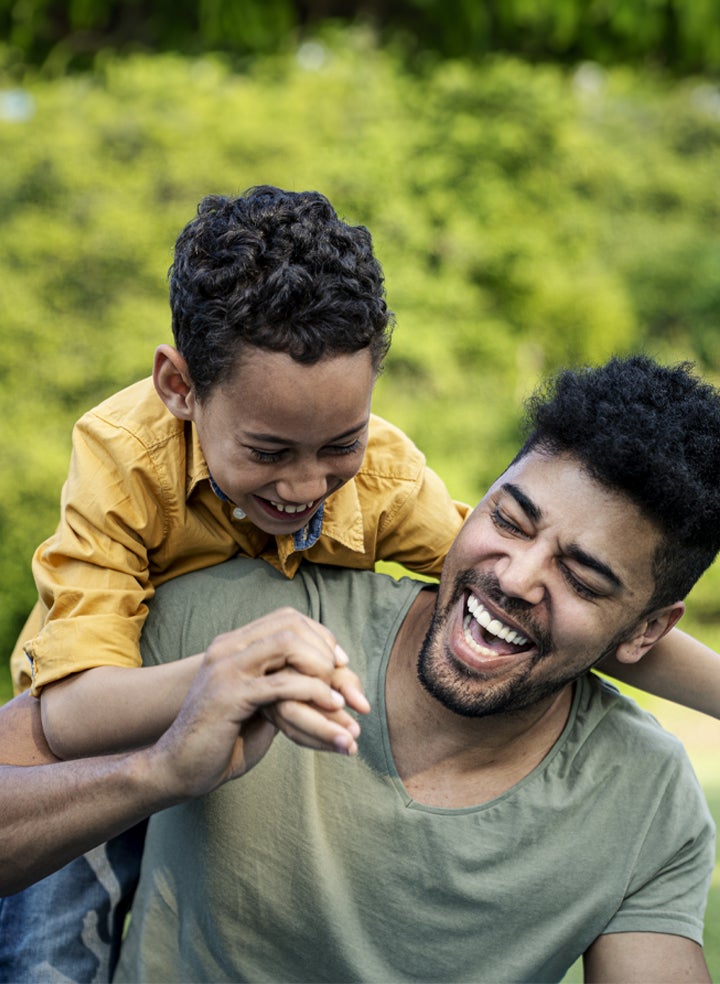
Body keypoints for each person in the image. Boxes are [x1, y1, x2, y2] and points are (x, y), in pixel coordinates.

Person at [2, 354, 719, 981]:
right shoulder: (231, 630)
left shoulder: (649, 798)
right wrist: (157, 771)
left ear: (647, 630)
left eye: (585, 579)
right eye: (509, 520)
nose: (516, 577)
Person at [0, 184, 469, 983]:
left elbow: (530, 592)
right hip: (96, 758)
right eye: (268, 450)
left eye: (339, 444)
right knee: (47, 961)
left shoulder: (381, 474)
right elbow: (72, 712)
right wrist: (233, 673)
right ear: (179, 387)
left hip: (243, 777)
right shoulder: (123, 456)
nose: (306, 483)